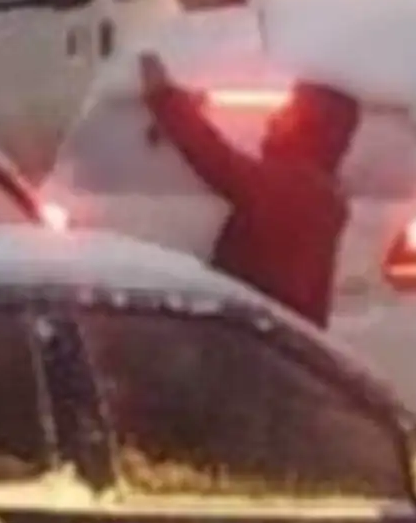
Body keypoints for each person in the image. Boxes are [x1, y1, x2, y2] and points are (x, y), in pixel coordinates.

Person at [139, 52, 360, 329]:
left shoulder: (295, 188)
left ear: (309, 126)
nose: (273, 119)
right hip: (278, 343)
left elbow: (215, 159)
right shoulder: (322, 194)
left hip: (254, 339)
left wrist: (165, 99)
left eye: (289, 112)